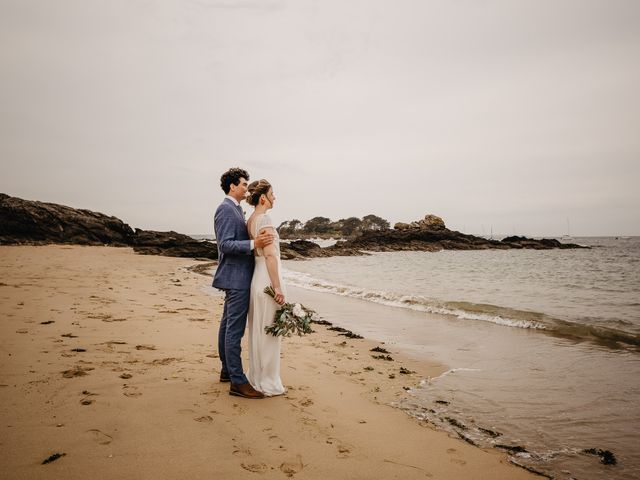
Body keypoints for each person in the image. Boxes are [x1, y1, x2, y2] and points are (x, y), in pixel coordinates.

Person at [212, 168, 274, 399]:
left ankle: (227, 371)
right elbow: (225, 245)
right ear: (232, 187)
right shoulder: (226, 210)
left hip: (236, 276)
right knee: (234, 330)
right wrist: (254, 243)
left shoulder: (236, 209)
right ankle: (238, 382)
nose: (246, 188)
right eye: (243, 184)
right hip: (235, 277)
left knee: (227, 324)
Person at [245, 179, 286, 396]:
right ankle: (268, 380)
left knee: (259, 330)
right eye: (272, 193)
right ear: (263, 198)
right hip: (268, 279)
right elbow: (270, 254)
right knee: (270, 331)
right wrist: (277, 287)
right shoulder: (265, 218)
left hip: (256, 278)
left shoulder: (251, 219)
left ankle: (256, 376)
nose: (275, 197)